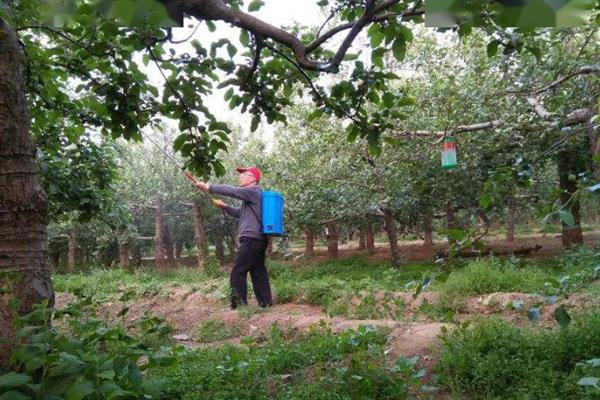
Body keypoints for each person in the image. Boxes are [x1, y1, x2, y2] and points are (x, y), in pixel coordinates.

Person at [189, 166, 273, 309]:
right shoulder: (252, 198)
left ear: (252, 178)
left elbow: (232, 191)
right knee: (258, 271)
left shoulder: (253, 191)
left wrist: (208, 187)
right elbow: (238, 213)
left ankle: (238, 305)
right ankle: (266, 303)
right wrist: (225, 206)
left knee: (238, 271)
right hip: (259, 239)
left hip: (251, 239)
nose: (240, 177)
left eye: (244, 174)